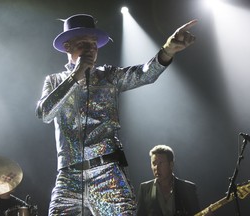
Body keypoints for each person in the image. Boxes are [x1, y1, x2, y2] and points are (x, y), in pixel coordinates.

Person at [35, 14, 197, 216]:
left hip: (107, 174)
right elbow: (44, 113)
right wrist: (76, 76)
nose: (91, 49)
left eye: (93, 44)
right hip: (69, 178)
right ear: (68, 46)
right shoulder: (54, 81)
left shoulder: (108, 76)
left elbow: (145, 74)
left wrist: (168, 50)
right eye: (84, 43)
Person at [137, 145, 213, 216]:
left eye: (160, 163)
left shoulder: (188, 188)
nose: (156, 168)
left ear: (171, 164)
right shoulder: (144, 189)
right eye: (154, 163)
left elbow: (196, 213)